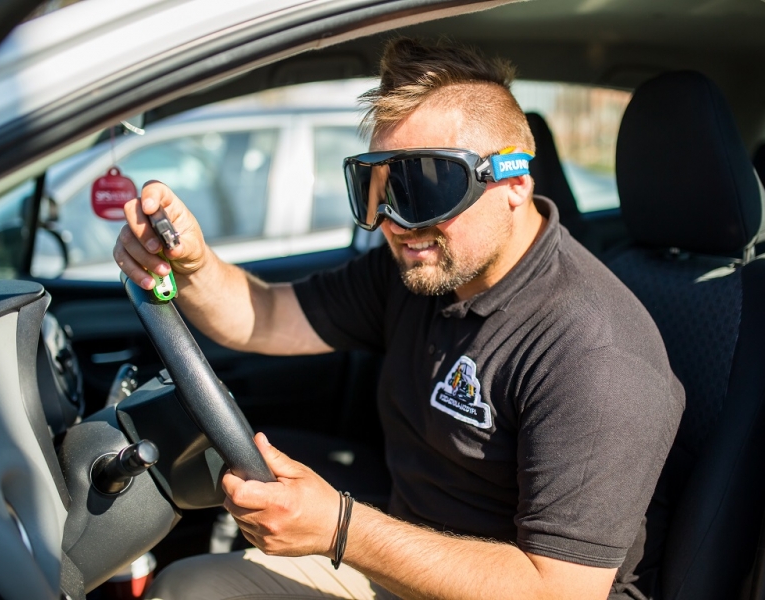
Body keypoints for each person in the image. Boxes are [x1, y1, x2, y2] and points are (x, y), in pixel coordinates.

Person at [114, 38, 684, 600]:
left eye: (425, 188)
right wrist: (192, 265)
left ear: (515, 183)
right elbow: (264, 317)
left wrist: (339, 527)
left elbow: (557, 591)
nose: (394, 222)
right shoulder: (422, 272)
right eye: (377, 189)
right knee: (185, 588)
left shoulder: (595, 354)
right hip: (407, 566)